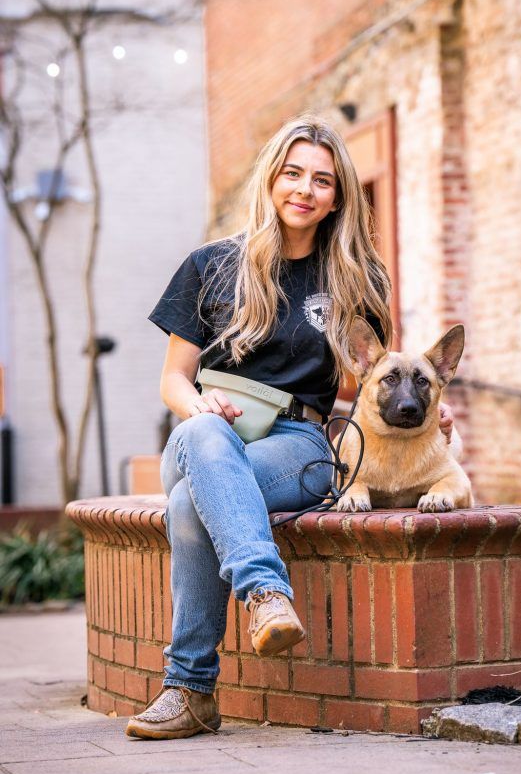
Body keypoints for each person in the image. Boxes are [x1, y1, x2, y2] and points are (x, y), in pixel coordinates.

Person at [126, 113, 453, 740]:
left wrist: (432, 413)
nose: (305, 189)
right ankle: (265, 592)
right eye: (293, 173)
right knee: (201, 445)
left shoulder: (358, 279)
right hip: (205, 429)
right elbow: (174, 379)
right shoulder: (211, 265)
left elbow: (384, 375)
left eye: (323, 180)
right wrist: (199, 409)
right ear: (272, 177)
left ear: (338, 196)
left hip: (298, 444)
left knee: (191, 506)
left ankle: (190, 690)